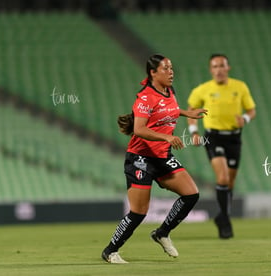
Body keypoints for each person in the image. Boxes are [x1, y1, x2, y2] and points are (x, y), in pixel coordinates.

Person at [101, 54, 207, 264]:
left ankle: (162, 232)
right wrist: (167, 136)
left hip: (162, 156)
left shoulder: (169, 91)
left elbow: (169, 110)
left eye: (171, 68)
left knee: (191, 194)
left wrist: (187, 113)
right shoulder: (145, 97)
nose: (171, 72)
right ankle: (110, 250)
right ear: (153, 73)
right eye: (165, 68)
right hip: (140, 158)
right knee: (139, 212)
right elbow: (139, 129)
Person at [187, 54, 256, 239]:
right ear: (211, 70)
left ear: (228, 68)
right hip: (213, 136)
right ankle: (225, 220)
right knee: (223, 178)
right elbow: (191, 111)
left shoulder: (239, 87)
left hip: (234, 138)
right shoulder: (202, 90)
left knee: (230, 182)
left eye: (221, 66)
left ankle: (222, 216)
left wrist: (246, 119)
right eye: (215, 66)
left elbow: (251, 110)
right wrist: (194, 132)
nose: (218, 69)